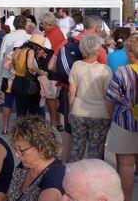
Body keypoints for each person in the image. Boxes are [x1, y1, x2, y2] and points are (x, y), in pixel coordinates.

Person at [49, 15, 107, 163]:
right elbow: (107, 91)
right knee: (96, 150)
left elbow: (51, 66)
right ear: (97, 28)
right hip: (98, 109)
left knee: (73, 139)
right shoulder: (101, 53)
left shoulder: (66, 43)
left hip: (72, 98)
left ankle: (66, 166)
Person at [67, 34, 112, 162]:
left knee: (76, 149)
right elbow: (108, 96)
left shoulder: (76, 66)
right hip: (100, 114)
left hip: (78, 112)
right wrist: (112, 115)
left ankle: (72, 178)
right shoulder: (105, 70)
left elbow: (71, 92)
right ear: (98, 50)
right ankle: (94, 179)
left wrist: (70, 111)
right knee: (96, 152)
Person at [106, 34, 138, 201]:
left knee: (126, 166)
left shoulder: (123, 72)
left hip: (125, 122)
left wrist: (114, 117)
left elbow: (110, 98)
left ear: (131, 53)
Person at [7, 115, 65, 201]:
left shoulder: (54, 180)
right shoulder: (25, 165)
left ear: (42, 149)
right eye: (15, 149)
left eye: (20, 150)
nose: (17, 155)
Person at [11, 35, 48, 116]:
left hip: (17, 81)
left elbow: (13, 60)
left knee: (20, 111)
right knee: (32, 110)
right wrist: (40, 71)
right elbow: (30, 65)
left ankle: (20, 127)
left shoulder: (19, 49)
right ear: (37, 46)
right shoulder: (30, 51)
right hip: (27, 82)